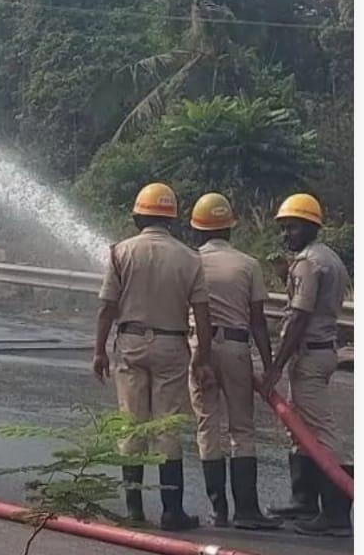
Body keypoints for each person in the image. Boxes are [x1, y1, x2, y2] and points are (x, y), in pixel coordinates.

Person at [94, 182, 215, 531]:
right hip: (172, 345)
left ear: (138, 215)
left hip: (130, 343)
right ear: (172, 219)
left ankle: (133, 509)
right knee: (167, 427)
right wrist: (202, 358)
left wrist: (98, 350)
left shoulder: (121, 252)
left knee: (132, 424)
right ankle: (172, 512)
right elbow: (203, 314)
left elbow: (107, 307)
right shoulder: (190, 258)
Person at [186, 193, 282, 530]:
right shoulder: (248, 264)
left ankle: (218, 511)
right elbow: (258, 321)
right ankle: (247, 511)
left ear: (197, 229)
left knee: (207, 426)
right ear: (230, 228)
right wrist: (269, 366)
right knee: (242, 429)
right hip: (237, 348)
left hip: (201, 348)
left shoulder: (191, 261)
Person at [262, 194, 353, 537]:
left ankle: (335, 513)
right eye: (283, 228)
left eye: (293, 227)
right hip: (321, 350)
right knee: (299, 428)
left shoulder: (308, 263)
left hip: (310, 354)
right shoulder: (327, 257)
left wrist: (276, 366)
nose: (286, 235)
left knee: (322, 433)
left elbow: (299, 316)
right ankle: (304, 500)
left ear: (311, 226)